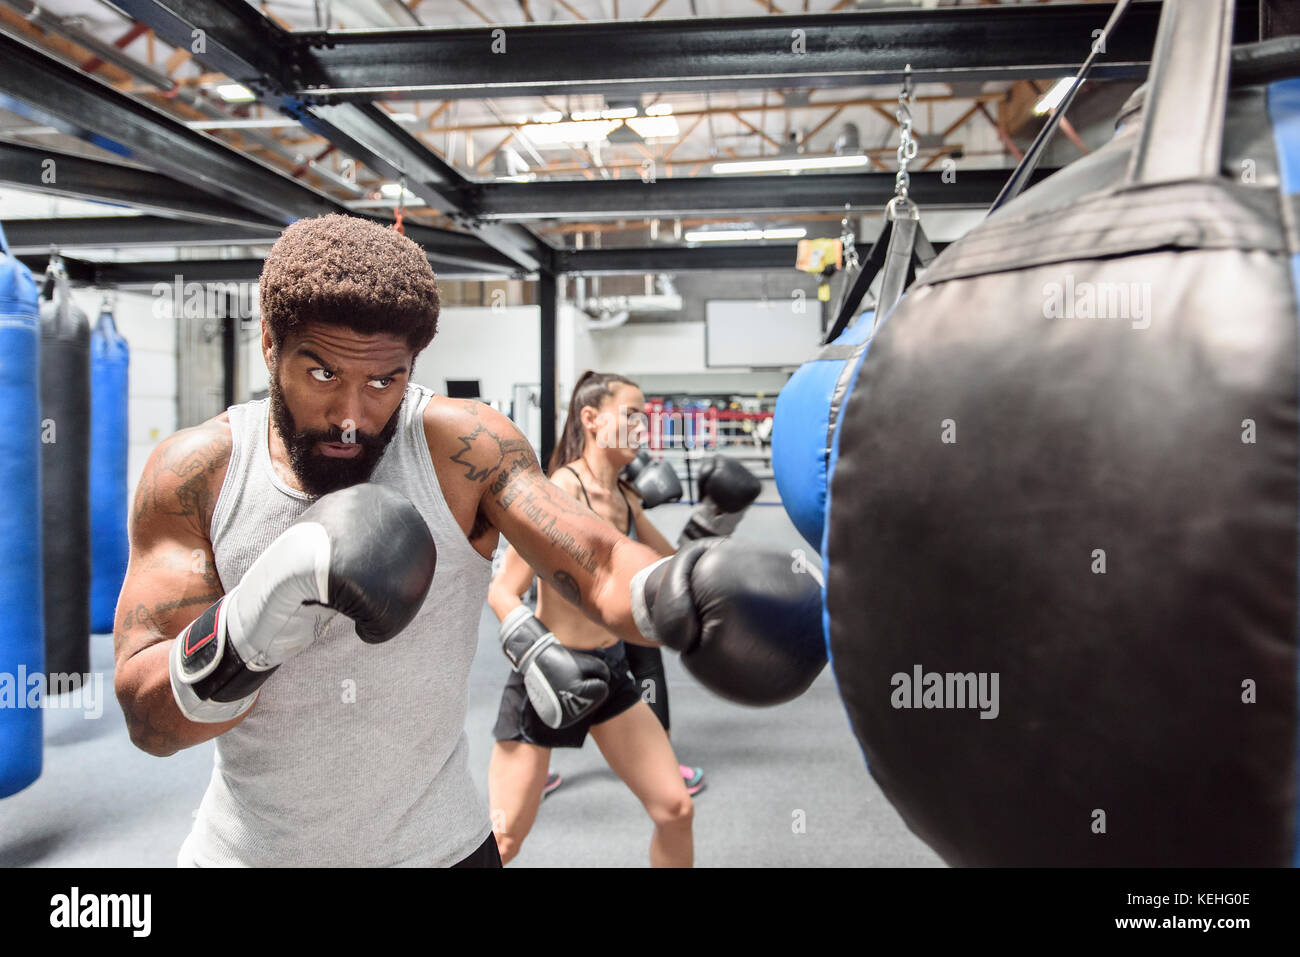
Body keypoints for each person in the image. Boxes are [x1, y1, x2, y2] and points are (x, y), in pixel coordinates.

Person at [112, 213, 825, 867]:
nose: (353, 415)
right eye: (322, 372)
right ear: (270, 343)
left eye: (385, 379)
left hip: (441, 849)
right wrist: (261, 609)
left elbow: (599, 561)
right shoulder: (197, 472)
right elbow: (151, 721)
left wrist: (675, 592)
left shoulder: (465, 449)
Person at [487, 372, 694, 866]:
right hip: (546, 675)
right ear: (591, 419)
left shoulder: (624, 498)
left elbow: (675, 571)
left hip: (610, 672)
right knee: (504, 842)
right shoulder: (561, 490)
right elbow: (503, 590)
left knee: (675, 808)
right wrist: (539, 656)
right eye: (632, 414)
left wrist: (718, 519)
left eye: (646, 415)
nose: (643, 426)